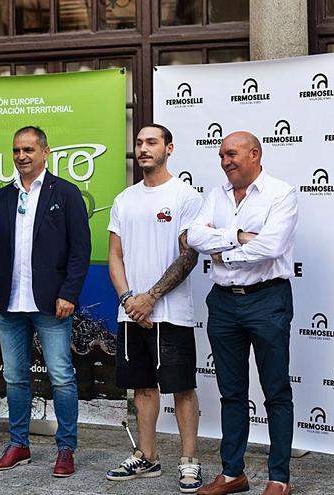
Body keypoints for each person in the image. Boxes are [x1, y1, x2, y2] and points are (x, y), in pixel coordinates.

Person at [0, 126, 91, 478]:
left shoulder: (67, 193)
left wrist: (69, 293)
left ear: (45, 152)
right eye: (16, 150)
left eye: (28, 149)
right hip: (11, 304)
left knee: (61, 377)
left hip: (52, 304)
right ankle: (19, 444)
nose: (21, 156)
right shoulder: (3, 197)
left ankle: (66, 449)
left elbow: (80, 250)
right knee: (14, 378)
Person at [187, 131, 298, 495]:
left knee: (276, 391)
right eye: (221, 155)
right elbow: (193, 237)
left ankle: (279, 478)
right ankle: (233, 473)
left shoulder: (280, 193)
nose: (225, 161)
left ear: (255, 154)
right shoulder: (215, 194)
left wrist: (222, 249)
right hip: (223, 302)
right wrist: (240, 236)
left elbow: (273, 245)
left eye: (232, 154)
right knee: (231, 392)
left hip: (268, 300)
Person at [104, 124, 203, 493]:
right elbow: (115, 255)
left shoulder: (185, 196)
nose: (143, 148)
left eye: (152, 142)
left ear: (169, 148)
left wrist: (151, 297)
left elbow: (188, 255)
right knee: (143, 389)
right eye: (140, 142)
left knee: (182, 389)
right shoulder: (124, 199)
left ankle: (189, 460)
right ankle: (147, 456)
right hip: (130, 313)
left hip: (170, 312)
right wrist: (129, 298)